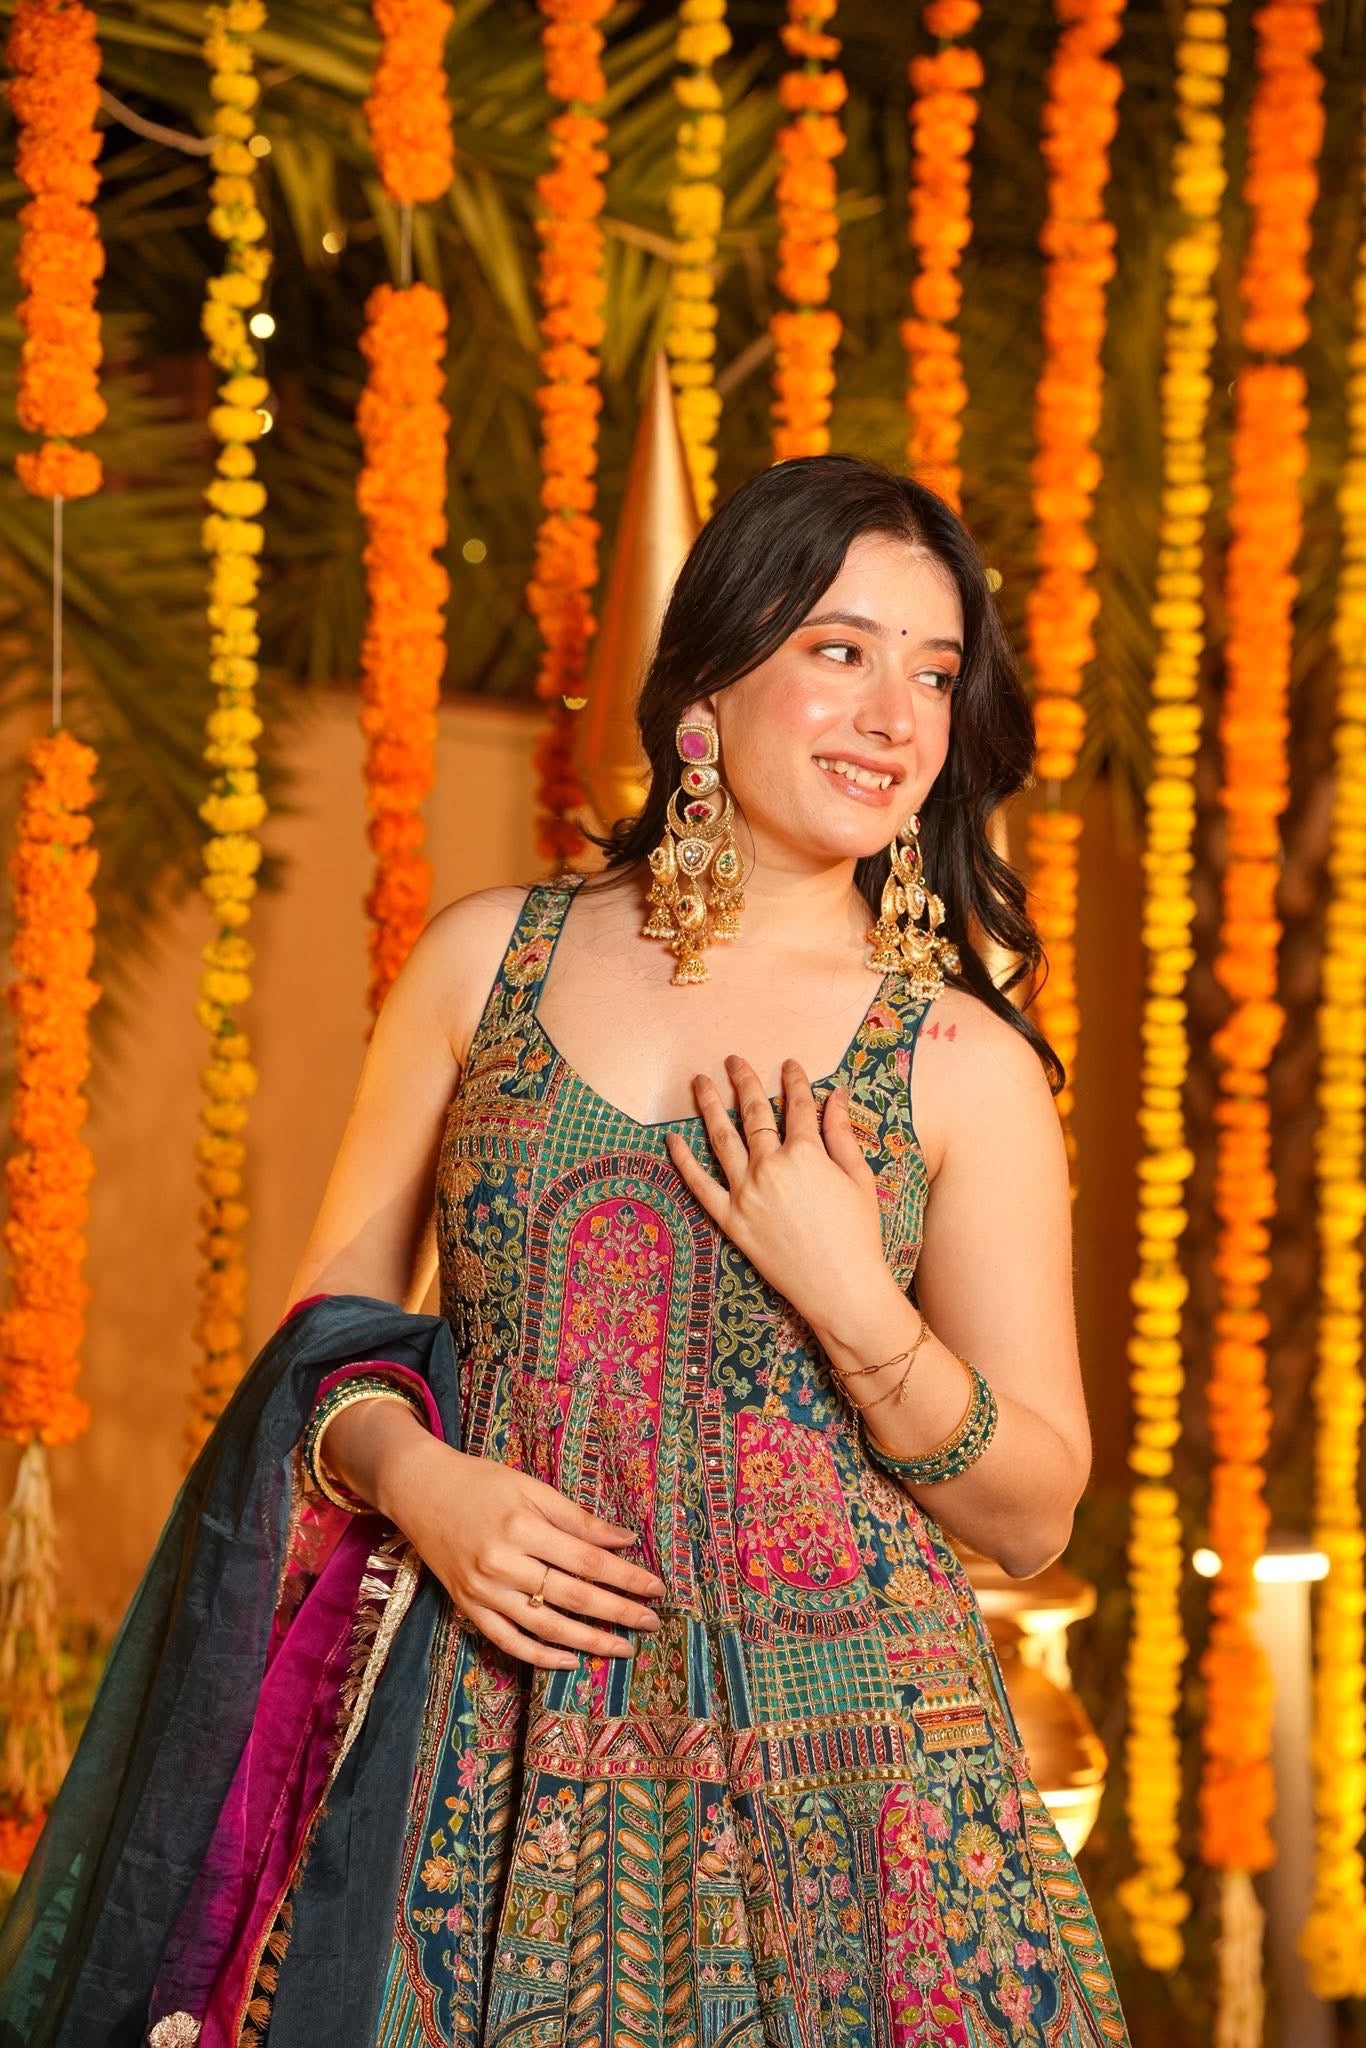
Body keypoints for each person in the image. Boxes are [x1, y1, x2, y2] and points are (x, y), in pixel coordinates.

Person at [0, 453, 1128, 2047]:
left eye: (934, 675)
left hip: (855, 1796)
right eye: (840, 650)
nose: (894, 716)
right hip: (480, 1745)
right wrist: (416, 1479)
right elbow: (327, 1327)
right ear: (707, 682)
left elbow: (1030, 1512)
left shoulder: (958, 1062)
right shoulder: (486, 963)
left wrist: (857, 1308)